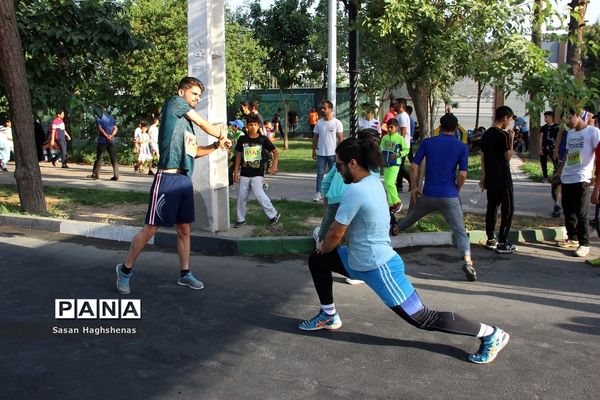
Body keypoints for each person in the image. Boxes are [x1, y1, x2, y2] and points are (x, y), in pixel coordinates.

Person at [298, 136, 510, 365]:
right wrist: (324, 252)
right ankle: (329, 315)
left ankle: (490, 334)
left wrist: (324, 246)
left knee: (422, 317)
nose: (337, 170)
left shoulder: (356, 191)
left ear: (352, 163)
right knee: (318, 261)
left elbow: (334, 234)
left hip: (379, 267)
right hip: (357, 260)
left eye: (338, 165)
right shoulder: (373, 182)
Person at [115, 77, 231, 295]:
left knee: (184, 229)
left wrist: (216, 145)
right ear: (181, 93)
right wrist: (221, 134)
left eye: (199, 95)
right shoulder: (174, 104)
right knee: (151, 228)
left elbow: (194, 152)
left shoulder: (186, 124)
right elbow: (204, 124)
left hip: (184, 180)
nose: (197, 98)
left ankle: (185, 274)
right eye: (194, 93)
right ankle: (125, 270)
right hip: (166, 179)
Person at [393, 113, 477, 281]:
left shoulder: (428, 143)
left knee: (416, 214)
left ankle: (396, 229)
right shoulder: (461, 147)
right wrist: (457, 189)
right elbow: (462, 174)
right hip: (449, 194)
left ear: (440, 126)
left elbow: (414, 166)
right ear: (455, 128)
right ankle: (468, 261)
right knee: (460, 230)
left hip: (429, 192)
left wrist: (415, 186)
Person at [555, 108, 600, 258]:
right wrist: (559, 171)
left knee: (582, 212)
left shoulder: (593, 132)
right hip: (568, 176)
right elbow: (568, 154)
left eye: (569, 118)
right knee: (568, 211)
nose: (567, 123)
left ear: (578, 115)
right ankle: (573, 238)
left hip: (582, 178)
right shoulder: (571, 133)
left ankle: (584, 244)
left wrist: (594, 176)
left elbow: (597, 154)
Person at [479, 106, 517, 254]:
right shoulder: (503, 135)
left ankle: (490, 238)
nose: (509, 123)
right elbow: (508, 157)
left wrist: (483, 176)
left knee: (492, 207)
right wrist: (511, 139)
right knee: (508, 208)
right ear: (505, 118)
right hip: (503, 177)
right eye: (510, 119)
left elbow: (483, 157)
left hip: (491, 176)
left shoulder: (486, 134)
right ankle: (503, 241)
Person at [232, 114, 280, 228]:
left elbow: (275, 152)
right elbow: (238, 155)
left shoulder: (263, 139)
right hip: (244, 172)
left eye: (255, 124)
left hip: (258, 173)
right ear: (246, 126)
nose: (252, 127)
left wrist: (274, 165)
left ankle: (273, 214)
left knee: (259, 193)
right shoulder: (242, 139)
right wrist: (235, 171)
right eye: (250, 125)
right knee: (241, 196)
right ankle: (240, 219)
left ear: (258, 126)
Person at [312, 100, 344, 202]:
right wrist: (313, 150)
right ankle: (318, 193)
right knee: (320, 174)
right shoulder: (319, 123)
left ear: (330, 109)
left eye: (324, 108)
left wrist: (341, 153)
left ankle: (331, 193)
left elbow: (340, 139)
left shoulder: (337, 123)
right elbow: (315, 138)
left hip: (333, 154)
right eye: (322, 108)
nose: (322, 110)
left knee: (334, 175)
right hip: (321, 153)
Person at [380, 118, 408, 213]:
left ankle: (397, 202)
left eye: (391, 127)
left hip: (395, 164)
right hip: (386, 164)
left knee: (390, 183)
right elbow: (381, 148)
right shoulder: (385, 138)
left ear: (396, 128)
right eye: (388, 127)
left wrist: (398, 154)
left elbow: (406, 150)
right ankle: (392, 205)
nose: (389, 129)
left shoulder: (400, 138)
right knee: (387, 185)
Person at [539, 111, 561, 217]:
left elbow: (559, 138)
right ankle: (545, 176)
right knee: (543, 162)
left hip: (554, 148)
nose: (545, 119)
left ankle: (556, 172)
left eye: (546, 117)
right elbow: (541, 137)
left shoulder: (558, 127)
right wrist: (540, 148)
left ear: (552, 117)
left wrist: (557, 148)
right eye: (544, 117)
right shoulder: (543, 128)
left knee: (556, 163)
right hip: (545, 147)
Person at [90, 106, 119, 181]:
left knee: (99, 158)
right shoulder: (111, 118)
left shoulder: (98, 118)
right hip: (111, 141)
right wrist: (111, 136)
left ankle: (97, 175)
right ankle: (116, 175)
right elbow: (116, 128)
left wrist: (106, 136)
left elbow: (100, 128)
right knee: (113, 158)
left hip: (102, 140)